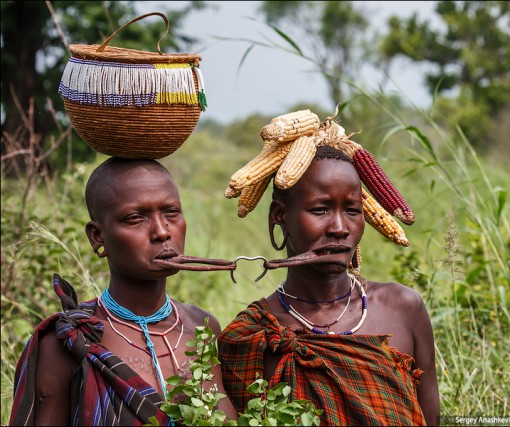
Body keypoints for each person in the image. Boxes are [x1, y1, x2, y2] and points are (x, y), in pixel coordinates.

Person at [219, 112, 440, 426]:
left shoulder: (403, 308)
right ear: (279, 216)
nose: (340, 227)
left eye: (352, 210)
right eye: (320, 209)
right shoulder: (252, 338)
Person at [10, 157, 237, 426]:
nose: (162, 231)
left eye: (171, 212)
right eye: (135, 218)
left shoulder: (203, 327)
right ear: (97, 236)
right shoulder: (71, 341)